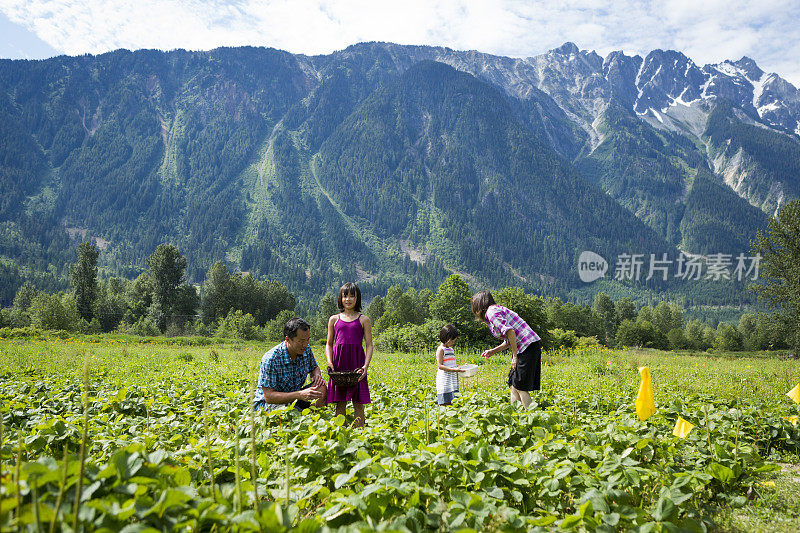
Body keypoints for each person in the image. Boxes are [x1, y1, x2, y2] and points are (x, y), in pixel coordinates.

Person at [471, 291, 542, 409]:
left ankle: (532, 418)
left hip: (528, 347)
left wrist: (515, 357)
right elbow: (509, 338)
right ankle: (516, 415)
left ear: (480, 304)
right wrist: (493, 351)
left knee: (520, 386)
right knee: (513, 384)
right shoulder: (494, 311)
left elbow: (510, 331)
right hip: (525, 348)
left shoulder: (491, 312)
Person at [252, 317, 327, 412]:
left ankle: (314, 418)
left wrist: (316, 375)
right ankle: (303, 418)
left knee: (321, 388)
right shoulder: (271, 359)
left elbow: (314, 367)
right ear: (288, 339)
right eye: (301, 341)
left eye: (307, 340)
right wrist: (300, 394)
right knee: (292, 413)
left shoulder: (306, 349)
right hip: (271, 404)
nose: (305, 344)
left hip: (295, 398)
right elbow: (269, 397)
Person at [326, 282, 373, 427]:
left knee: (358, 403)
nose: (348, 299)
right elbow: (328, 344)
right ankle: (340, 433)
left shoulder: (364, 320)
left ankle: (360, 434)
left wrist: (365, 366)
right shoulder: (334, 319)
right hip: (339, 363)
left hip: (357, 363)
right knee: (340, 403)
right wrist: (330, 362)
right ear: (340, 298)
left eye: (352, 296)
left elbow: (369, 345)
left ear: (357, 298)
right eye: (345, 296)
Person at [435, 324, 466, 405]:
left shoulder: (451, 350)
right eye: (452, 341)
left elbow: (451, 364)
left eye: (454, 341)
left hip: (452, 378)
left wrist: (460, 367)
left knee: (453, 400)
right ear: (445, 338)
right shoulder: (441, 350)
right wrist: (454, 370)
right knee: (445, 400)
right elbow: (440, 365)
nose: (453, 343)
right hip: (445, 379)